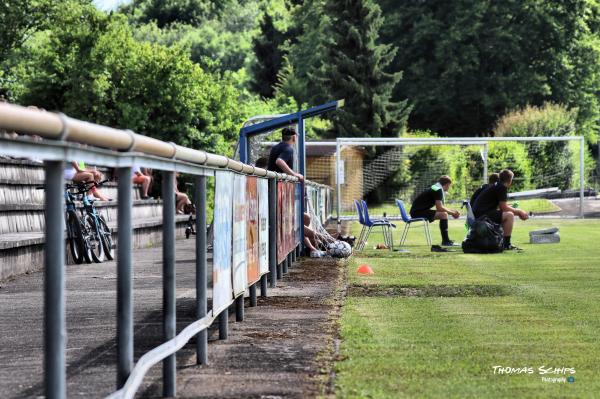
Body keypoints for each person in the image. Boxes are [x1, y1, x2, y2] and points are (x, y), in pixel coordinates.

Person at [472, 169, 529, 250]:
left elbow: (501, 207)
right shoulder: (502, 187)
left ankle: (501, 242)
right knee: (509, 215)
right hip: (482, 215)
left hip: (480, 213)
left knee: (507, 214)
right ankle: (506, 244)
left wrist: (517, 212)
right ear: (510, 180)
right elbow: (504, 208)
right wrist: (519, 212)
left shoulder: (496, 185)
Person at [410, 175, 461, 246]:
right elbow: (439, 208)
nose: (449, 188)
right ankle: (446, 241)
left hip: (416, 211)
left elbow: (441, 207)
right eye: (449, 186)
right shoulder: (438, 190)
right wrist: (452, 213)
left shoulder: (435, 187)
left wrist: (452, 211)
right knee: (443, 215)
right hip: (417, 212)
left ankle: (446, 241)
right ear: (447, 185)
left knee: (444, 214)